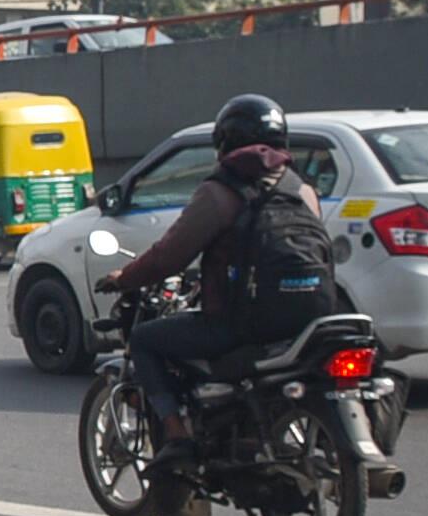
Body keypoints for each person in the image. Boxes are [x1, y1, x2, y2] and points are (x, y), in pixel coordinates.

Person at [101, 92, 327, 468]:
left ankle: (177, 435)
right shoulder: (302, 191)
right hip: (307, 319)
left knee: (145, 339)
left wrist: (125, 277)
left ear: (224, 142)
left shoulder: (220, 193)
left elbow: (168, 257)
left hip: (242, 323)